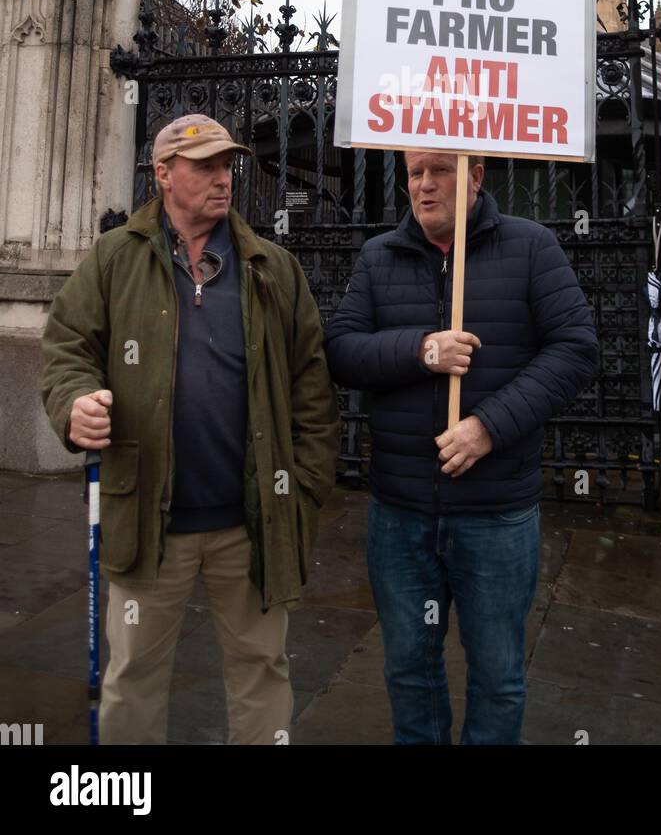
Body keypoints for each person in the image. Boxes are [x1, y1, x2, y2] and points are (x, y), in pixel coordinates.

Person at [41, 113, 340, 745]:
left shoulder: (273, 268)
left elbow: (312, 389)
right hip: (149, 513)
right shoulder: (115, 258)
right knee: (134, 677)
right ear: (163, 174)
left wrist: (305, 493)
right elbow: (67, 346)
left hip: (253, 519)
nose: (221, 178)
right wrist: (73, 404)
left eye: (226, 164)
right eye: (204, 165)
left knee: (263, 670)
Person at [324, 149, 600, 745]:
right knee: (408, 672)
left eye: (439, 170)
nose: (423, 185)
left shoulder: (531, 247)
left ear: (475, 175)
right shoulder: (379, 256)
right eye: (414, 172)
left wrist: (488, 427)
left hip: (496, 512)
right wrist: (420, 350)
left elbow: (576, 349)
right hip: (400, 512)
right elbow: (341, 351)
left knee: (498, 677)